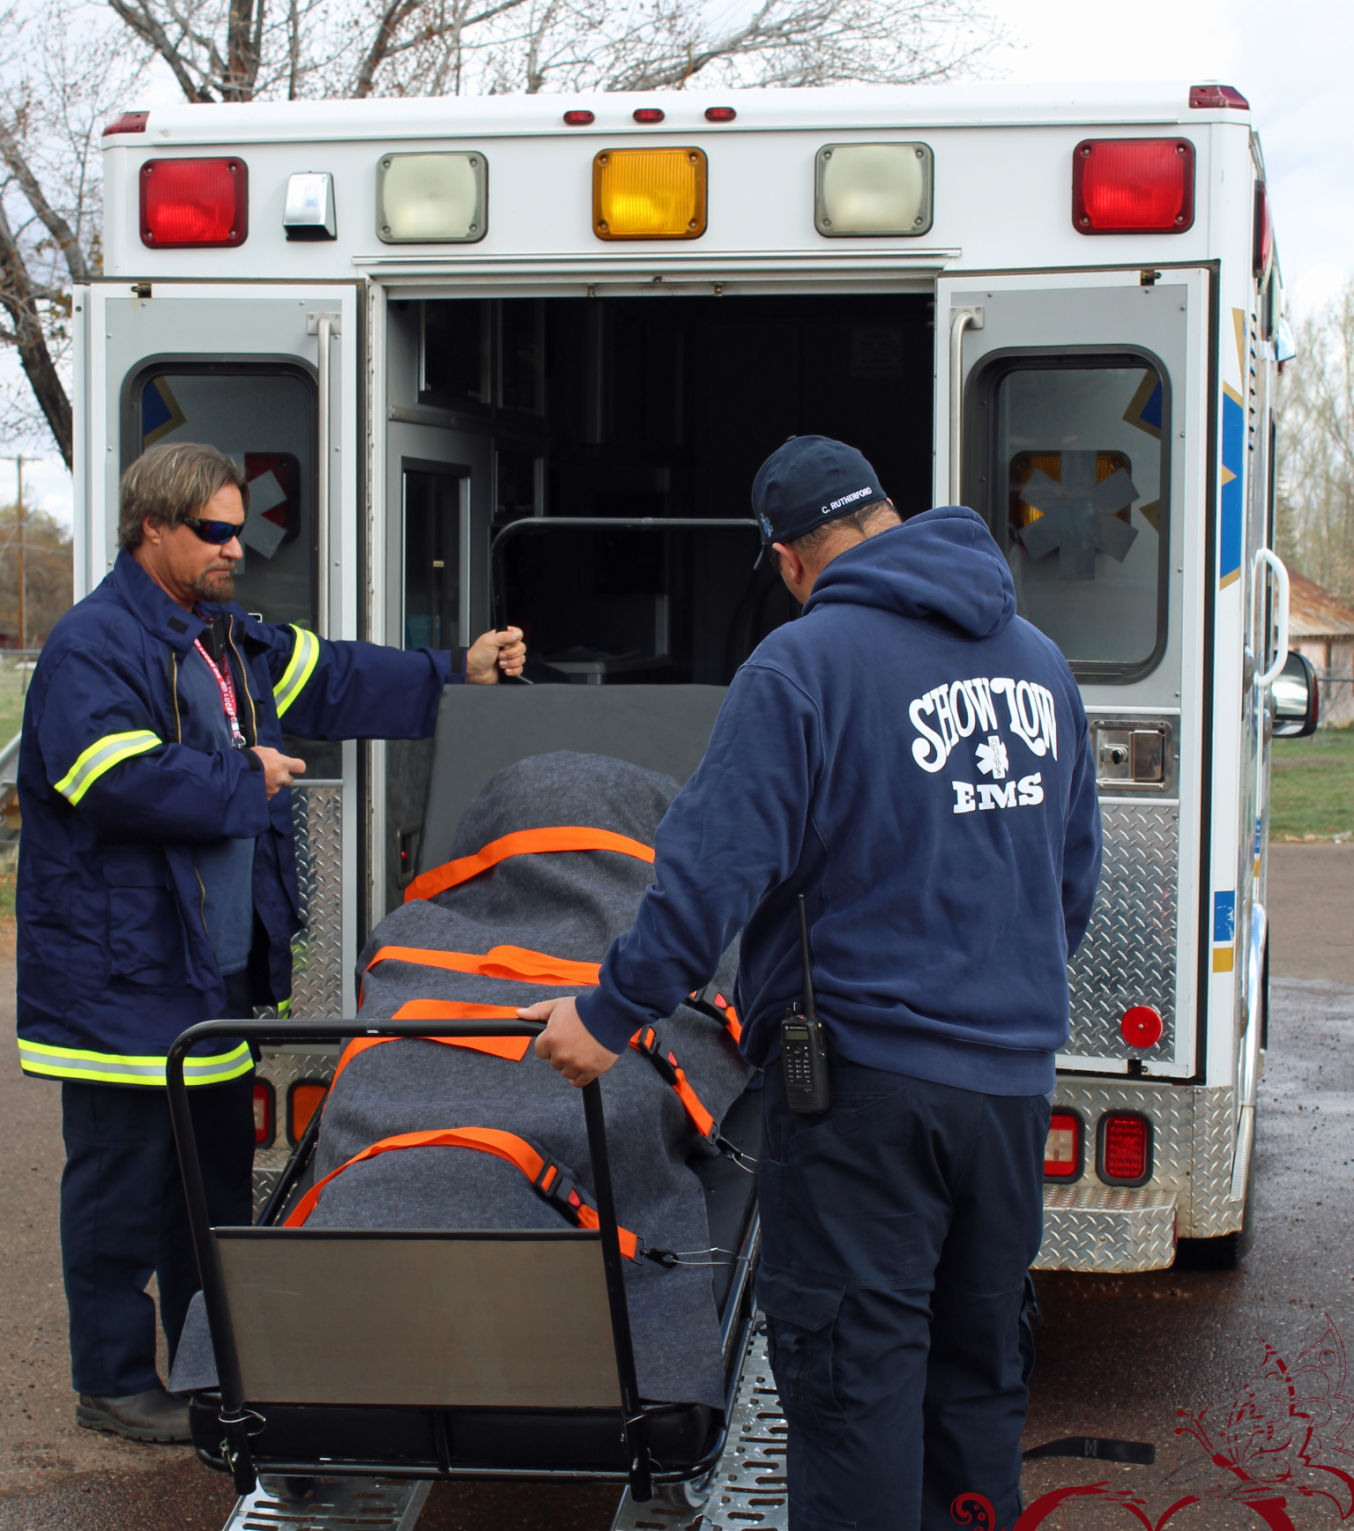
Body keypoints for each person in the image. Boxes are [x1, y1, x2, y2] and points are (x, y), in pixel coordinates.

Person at [524, 435, 1102, 1531]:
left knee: (854, 1389)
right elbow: (1067, 881)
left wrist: (608, 1014)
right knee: (975, 1376)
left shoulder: (801, 666)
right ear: (887, 512)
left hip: (863, 1097)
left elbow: (709, 871)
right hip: (1010, 1092)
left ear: (788, 559)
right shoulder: (1039, 661)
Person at [15, 441, 526, 1444]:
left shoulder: (222, 637)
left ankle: (209, 1366)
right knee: (121, 1194)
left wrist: (450, 672)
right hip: (120, 977)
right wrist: (243, 780)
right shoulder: (95, 645)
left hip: (205, 977)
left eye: (236, 527)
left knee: (207, 1194)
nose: (232, 547)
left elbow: (332, 677)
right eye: (212, 530)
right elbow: (108, 779)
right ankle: (114, 1382)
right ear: (152, 526)